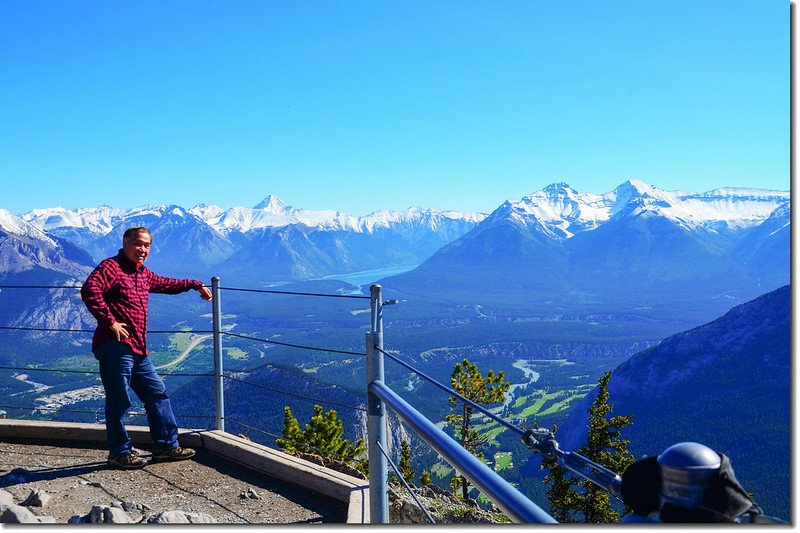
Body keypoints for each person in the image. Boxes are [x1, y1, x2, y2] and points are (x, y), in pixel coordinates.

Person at [81, 226, 212, 469]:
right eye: (138, 244)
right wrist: (109, 321)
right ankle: (119, 453)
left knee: (157, 394)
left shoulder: (142, 273)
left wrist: (195, 284)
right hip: (115, 347)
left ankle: (165, 446)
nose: (142, 249)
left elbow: (166, 283)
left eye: (147, 245)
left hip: (139, 350)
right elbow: (90, 290)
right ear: (125, 243)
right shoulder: (111, 267)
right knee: (119, 400)